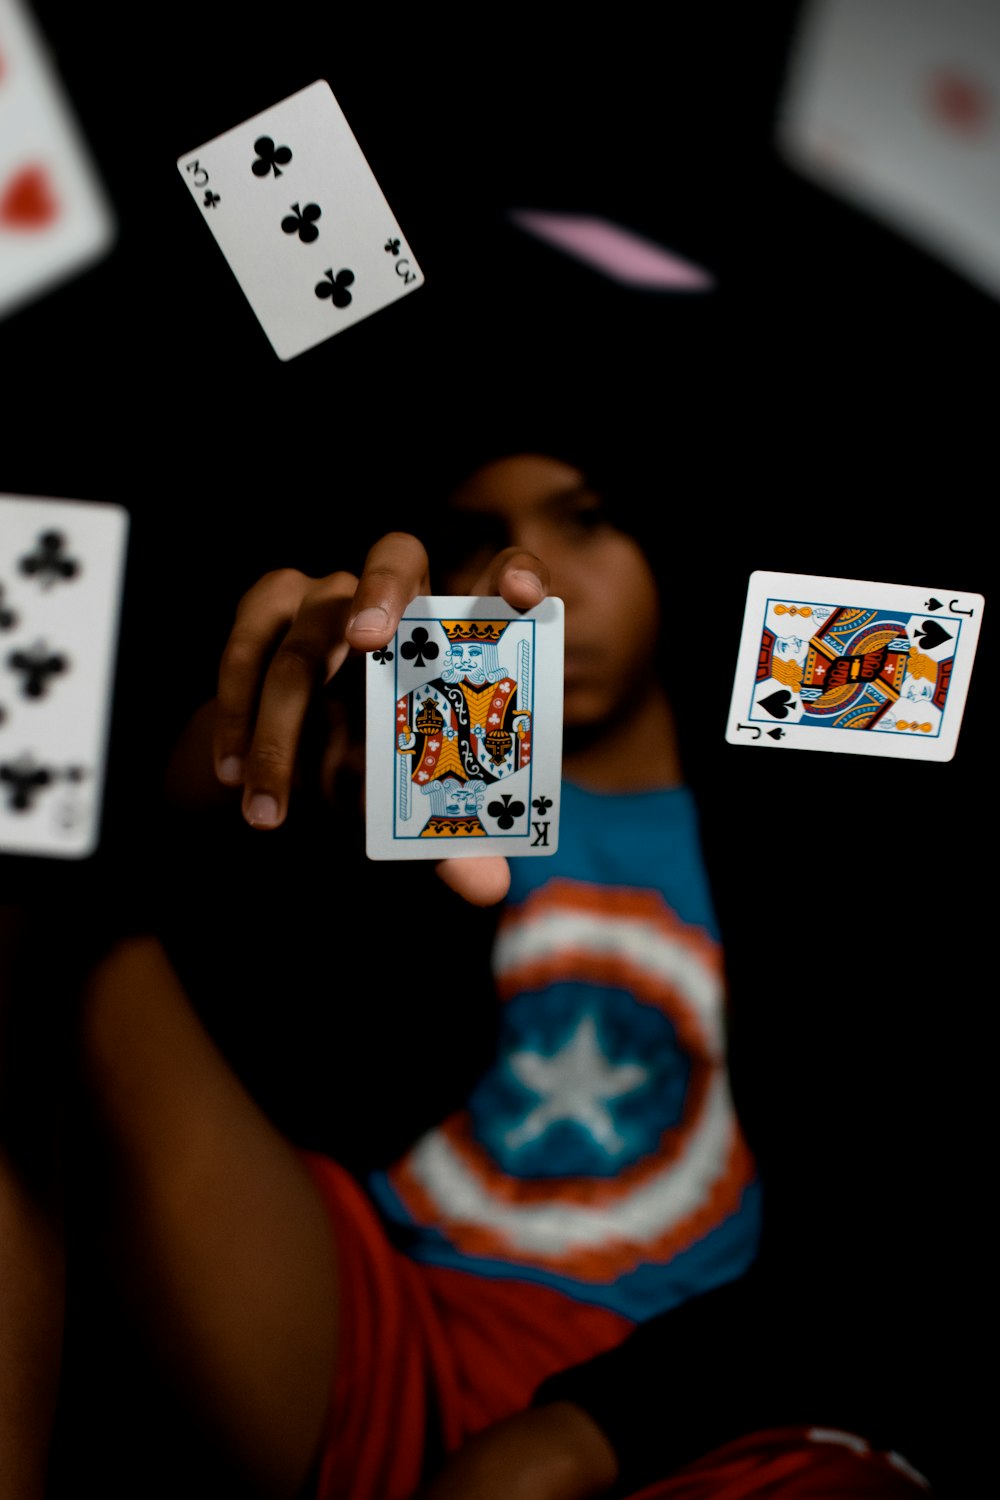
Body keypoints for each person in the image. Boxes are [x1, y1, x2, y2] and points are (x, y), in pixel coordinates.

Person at [0, 434, 976, 1500]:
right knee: (29, 923)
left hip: (704, 1393)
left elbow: (896, 1231)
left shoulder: (816, 815)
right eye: (484, 537)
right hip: (375, 1321)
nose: (540, 572)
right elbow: (217, 945)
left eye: (585, 518)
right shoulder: (414, 798)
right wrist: (236, 752)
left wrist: (579, 1431)